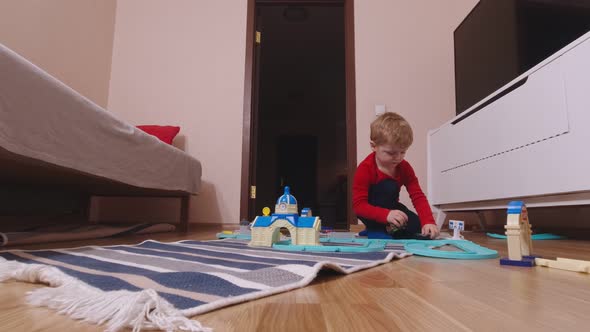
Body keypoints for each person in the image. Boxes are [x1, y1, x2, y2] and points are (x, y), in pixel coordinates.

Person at [352, 112, 439, 239]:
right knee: (387, 186)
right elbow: (359, 206)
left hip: (392, 207)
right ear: (373, 146)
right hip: (370, 211)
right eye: (391, 153)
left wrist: (428, 221)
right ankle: (374, 228)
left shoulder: (404, 167)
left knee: (418, 226)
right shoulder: (365, 168)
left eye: (402, 152)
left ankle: (388, 228)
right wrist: (385, 215)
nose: (398, 158)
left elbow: (418, 196)